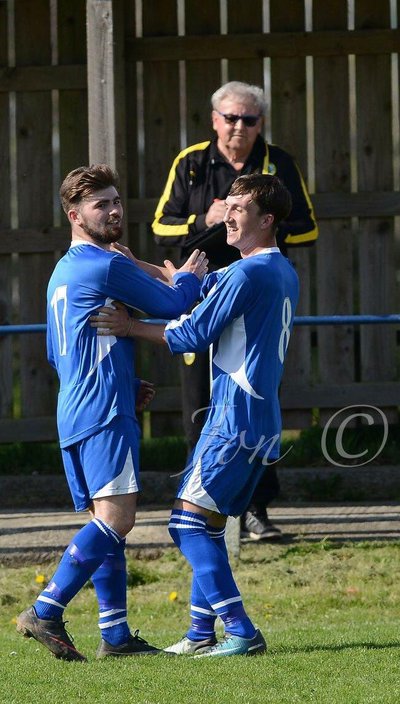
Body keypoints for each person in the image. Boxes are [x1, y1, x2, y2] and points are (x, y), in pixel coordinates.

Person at [94, 174, 299, 656]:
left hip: (234, 418)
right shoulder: (277, 270)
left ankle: (242, 632)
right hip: (259, 418)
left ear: (266, 220)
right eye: (228, 204)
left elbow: (188, 335)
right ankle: (201, 633)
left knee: (186, 526)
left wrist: (130, 326)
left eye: (240, 209)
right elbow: (205, 287)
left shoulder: (246, 274)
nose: (228, 214)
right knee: (205, 525)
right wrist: (143, 267)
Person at [16, 165, 207, 661]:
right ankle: (47, 607)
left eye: (117, 201)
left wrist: (125, 380)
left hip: (76, 407)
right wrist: (185, 275)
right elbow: (176, 303)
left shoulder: (63, 270)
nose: (115, 210)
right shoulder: (103, 264)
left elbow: (61, 350)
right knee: (117, 521)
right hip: (102, 410)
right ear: (74, 214)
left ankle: (116, 636)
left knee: (106, 519)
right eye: (102, 204)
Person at [151, 80, 317, 541]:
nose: (239, 127)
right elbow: (161, 224)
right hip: (203, 289)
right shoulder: (190, 163)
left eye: (249, 119)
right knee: (201, 409)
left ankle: (253, 511)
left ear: (261, 123)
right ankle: (207, 503)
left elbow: (305, 227)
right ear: (214, 120)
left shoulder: (278, 164)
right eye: (231, 118)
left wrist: (128, 327)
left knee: (249, 398)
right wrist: (204, 217)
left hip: (252, 290)